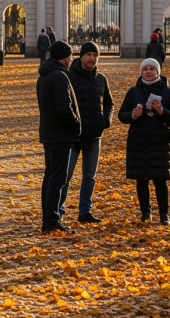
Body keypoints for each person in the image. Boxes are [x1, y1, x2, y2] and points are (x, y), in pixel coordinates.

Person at [117, 59, 170, 225]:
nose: (148, 72)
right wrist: (132, 115)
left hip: (159, 140)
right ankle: (145, 213)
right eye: (145, 69)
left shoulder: (167, 91)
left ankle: (164, 214)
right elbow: (121, 115)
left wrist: (161, 110)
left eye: (152, 69)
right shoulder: (133, 91)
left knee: (160, 179)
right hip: (138, 140)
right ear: (141, 72)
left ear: (158, 72)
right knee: (141, 179)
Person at [59, 42, 113, 224]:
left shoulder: (101, 79)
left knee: (90, 176)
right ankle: (58, 211)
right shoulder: (68, 76)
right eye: (88, 54)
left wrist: (106, 121)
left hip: (94, 135)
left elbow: (109, 103)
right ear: (80, 56)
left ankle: (85, 211)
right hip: (73, 136)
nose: (92, 58)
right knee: (65, 176)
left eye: (95, 55)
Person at [36, 41, 81, 234]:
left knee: (50, 177)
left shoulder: (45, 75)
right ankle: (51, 221)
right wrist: (76, 125)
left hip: (49, 132)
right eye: (70, 55)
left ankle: (48, 219)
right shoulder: (60, 76)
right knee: (57, 179)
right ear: (65, 56)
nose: (71, 59)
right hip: (60, 133)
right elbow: (64, 107)